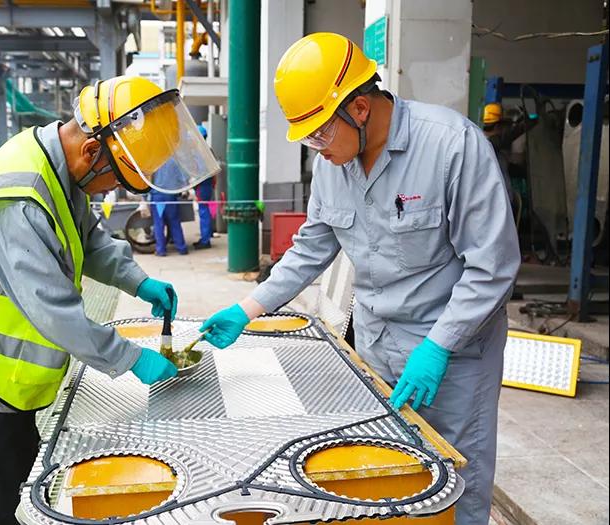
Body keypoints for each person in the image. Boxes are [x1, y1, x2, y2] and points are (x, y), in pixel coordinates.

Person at [200, 34, 520, 525]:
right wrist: (249, 308)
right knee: (387, 478)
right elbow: (310, 249)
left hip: (451, 358)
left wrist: (439, 346)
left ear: (361, 109)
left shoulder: (451, 146)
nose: (317, 149)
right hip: (375, 348)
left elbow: (492, 266)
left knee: (457, 486)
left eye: (319, 135)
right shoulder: (333, 164)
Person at [0, 75, 218, 525]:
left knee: (15, 479)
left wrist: (137, 282)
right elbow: (53, 310)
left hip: (10, 377)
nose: (108, 193)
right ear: (92, 151)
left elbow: (87, 237)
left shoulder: (59, 166)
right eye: (114, 182)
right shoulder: (17, 198)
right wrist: (130, 357)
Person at [150, 159, 189, 256]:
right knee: (175, 222)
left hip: (157, 196)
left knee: (159, 224)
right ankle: (182, 248)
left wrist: (144, 197)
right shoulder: (174, 161)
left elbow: (146, 180)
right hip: (171, 195)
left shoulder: (153, 161)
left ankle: (161, 250)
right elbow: (184, 177)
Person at [193, 123, 216, 249]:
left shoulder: (199, 152)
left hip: (202, 184)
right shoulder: (209, 150)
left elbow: (199, 172)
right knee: (206, 209)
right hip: (209, 184)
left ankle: (205, 240)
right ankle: (208, 234)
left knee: (203, 211)